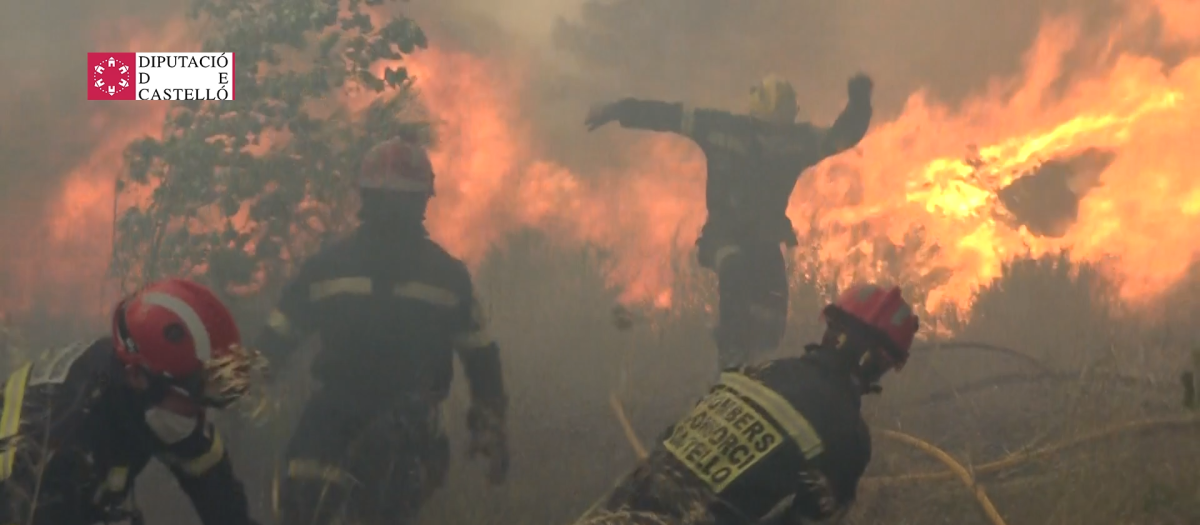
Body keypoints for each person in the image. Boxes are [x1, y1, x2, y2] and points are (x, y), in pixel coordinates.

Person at [257, 137, 510, 525]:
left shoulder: (330, 265)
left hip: (399, 421)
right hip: (353, 414)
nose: (394, 211)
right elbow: (482, 358)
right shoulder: (445, 276)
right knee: (308, 496)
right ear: (425, 199)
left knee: (335, 495)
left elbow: (276, 340)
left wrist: (488, 423)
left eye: (400, 201)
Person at [585, 74, 874, 370]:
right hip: (723, 236)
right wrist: (617, 109)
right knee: (734, 271)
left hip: (765, 240)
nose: (777, 134)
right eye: (775, 122)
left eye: (784, 122)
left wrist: (860, 100)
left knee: (773, 314)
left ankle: (756, 368)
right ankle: (730, 358)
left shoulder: (797, 142)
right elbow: (667, 115)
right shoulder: (720, 128)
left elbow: (843, 136)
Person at [573, 284, 918, 525]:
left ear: (829, 329)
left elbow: (671, 439)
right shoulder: (847, 434)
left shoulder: (757, 374)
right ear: (880, 363)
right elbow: (812, 519)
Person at [0, 278, 261, 525]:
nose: (198, 413)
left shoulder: (156, 398)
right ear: (136, 376)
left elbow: (223, 503)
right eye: (192, 395)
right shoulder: (64, 444)